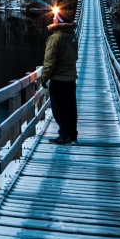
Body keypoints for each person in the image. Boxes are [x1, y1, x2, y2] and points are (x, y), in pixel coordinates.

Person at [41, 9, 78, 144]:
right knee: (70, 107)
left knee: (59, 109)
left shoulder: (55, 38)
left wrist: (44, 77)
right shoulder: (72, 36)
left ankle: (64, 136)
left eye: (55, 16)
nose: (53, 18)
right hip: (70, 78)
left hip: (58, 79)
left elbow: (49, 61)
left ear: (60, 21)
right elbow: (76, 56)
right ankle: (72, 135)